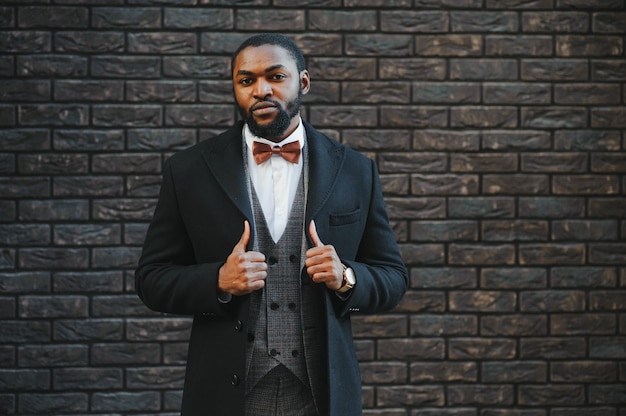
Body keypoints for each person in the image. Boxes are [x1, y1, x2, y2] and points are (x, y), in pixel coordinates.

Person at [135, 33, 408, 416]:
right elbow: (151, 279)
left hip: (322, 394)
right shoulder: (189, 171)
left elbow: (393, 277)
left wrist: (346, 277)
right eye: (246, 81)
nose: (261, 89)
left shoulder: (356, 170)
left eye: (276, 77)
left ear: (304, 82)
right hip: (227, 394)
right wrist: (217, 281)